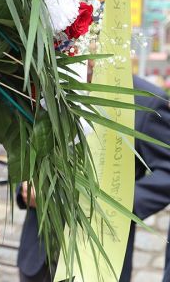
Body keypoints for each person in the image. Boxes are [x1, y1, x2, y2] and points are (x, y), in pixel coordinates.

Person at [17, 75, 170, 282]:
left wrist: (111, 203)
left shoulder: (146, 100)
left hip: (100, 261)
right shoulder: (49, 78)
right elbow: (29, 144)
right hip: (39, 257)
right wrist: (26, 185)